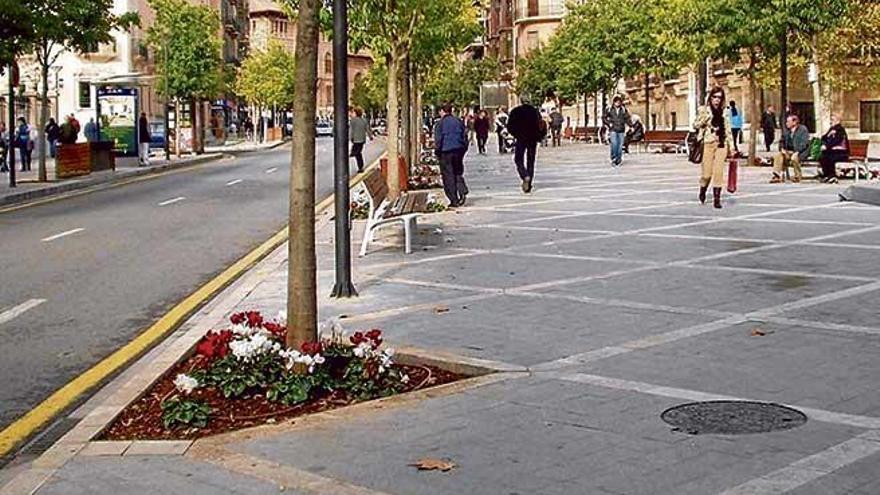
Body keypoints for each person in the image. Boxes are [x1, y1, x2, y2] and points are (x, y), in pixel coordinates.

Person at [693, 87, 733, 209]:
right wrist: (706, 117)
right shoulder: (704, 110)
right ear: (710, 98)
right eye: (714, 97)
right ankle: (703, 189)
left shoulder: (725, 111)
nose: (717, 100)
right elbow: (695, 124)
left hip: (721, 144)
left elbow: (728, 130)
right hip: (708, 143)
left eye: (719, 97)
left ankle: (717, 199)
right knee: (707, 174)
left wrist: (732, 147)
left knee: (718, 172)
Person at [433, 104, 469, 207]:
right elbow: (464, 135)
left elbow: (438, 140)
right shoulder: (458, 121)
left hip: (446, 151)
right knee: (457, 171)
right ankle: (462, 190)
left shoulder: (440, 124)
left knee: (448, 175)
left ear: (441, 111)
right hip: (458, 150)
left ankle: (454, 199)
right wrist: (463, 148)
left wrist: (437, 151)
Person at [507, 96, 544, 193]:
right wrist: (539, 136)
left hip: (521, 138)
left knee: (518, 159)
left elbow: (510, 125)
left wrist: (515, 134)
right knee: (530, 161)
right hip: (533, 139)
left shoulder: (516, 111)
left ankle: (524, 175)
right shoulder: (535, 111)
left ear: (521, 101)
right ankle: (529, 182)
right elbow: (541, 124)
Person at [771, 114, 809, 184]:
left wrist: (797, 151)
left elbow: (804, 143)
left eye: (788, 121)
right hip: (788, 151)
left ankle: (797, 176)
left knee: (794, 158)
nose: (786, 123)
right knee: (778, 156)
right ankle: (777, 175)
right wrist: (782, 149)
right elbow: (781, 141)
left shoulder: (803, 129)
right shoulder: (786, 131)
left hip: (801, 152)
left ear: (794, 122)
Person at [819, 113, 848, 184]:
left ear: (837, 121)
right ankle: (827, 175)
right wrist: (828, 135)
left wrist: (827, 146)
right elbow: (823, 138)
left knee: (830, 157)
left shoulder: (840, 129)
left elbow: (837, 140)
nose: (830, 121)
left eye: (832, 119)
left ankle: (832, 176)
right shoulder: (831, 129)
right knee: (822, 156)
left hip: (842, 152)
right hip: (833, 151)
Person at [604, 95, 631, 167]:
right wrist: (609, 123)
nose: (618, 103)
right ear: (614, 102)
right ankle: (613, 158)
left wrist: (631, 126)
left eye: (619, 102)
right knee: (614, 144)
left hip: (621, 129)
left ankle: (619, 159)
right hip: (613, 129)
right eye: (616, 102)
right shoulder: (609, 109)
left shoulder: (623, 109)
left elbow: (627, 118)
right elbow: (604, 117)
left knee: (620, 145)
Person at [349, 106, 374, 173]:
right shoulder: (364, 120)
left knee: (357, 153)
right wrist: (370, 136)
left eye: (353, 112)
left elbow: (351, 130)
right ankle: (360, 167)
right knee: (358, 153)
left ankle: (353, 154)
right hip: (362, 140)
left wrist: (350, 137)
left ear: (356, 113)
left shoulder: (353, 120)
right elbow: (368, 129)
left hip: (356, 139)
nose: (352, 113)